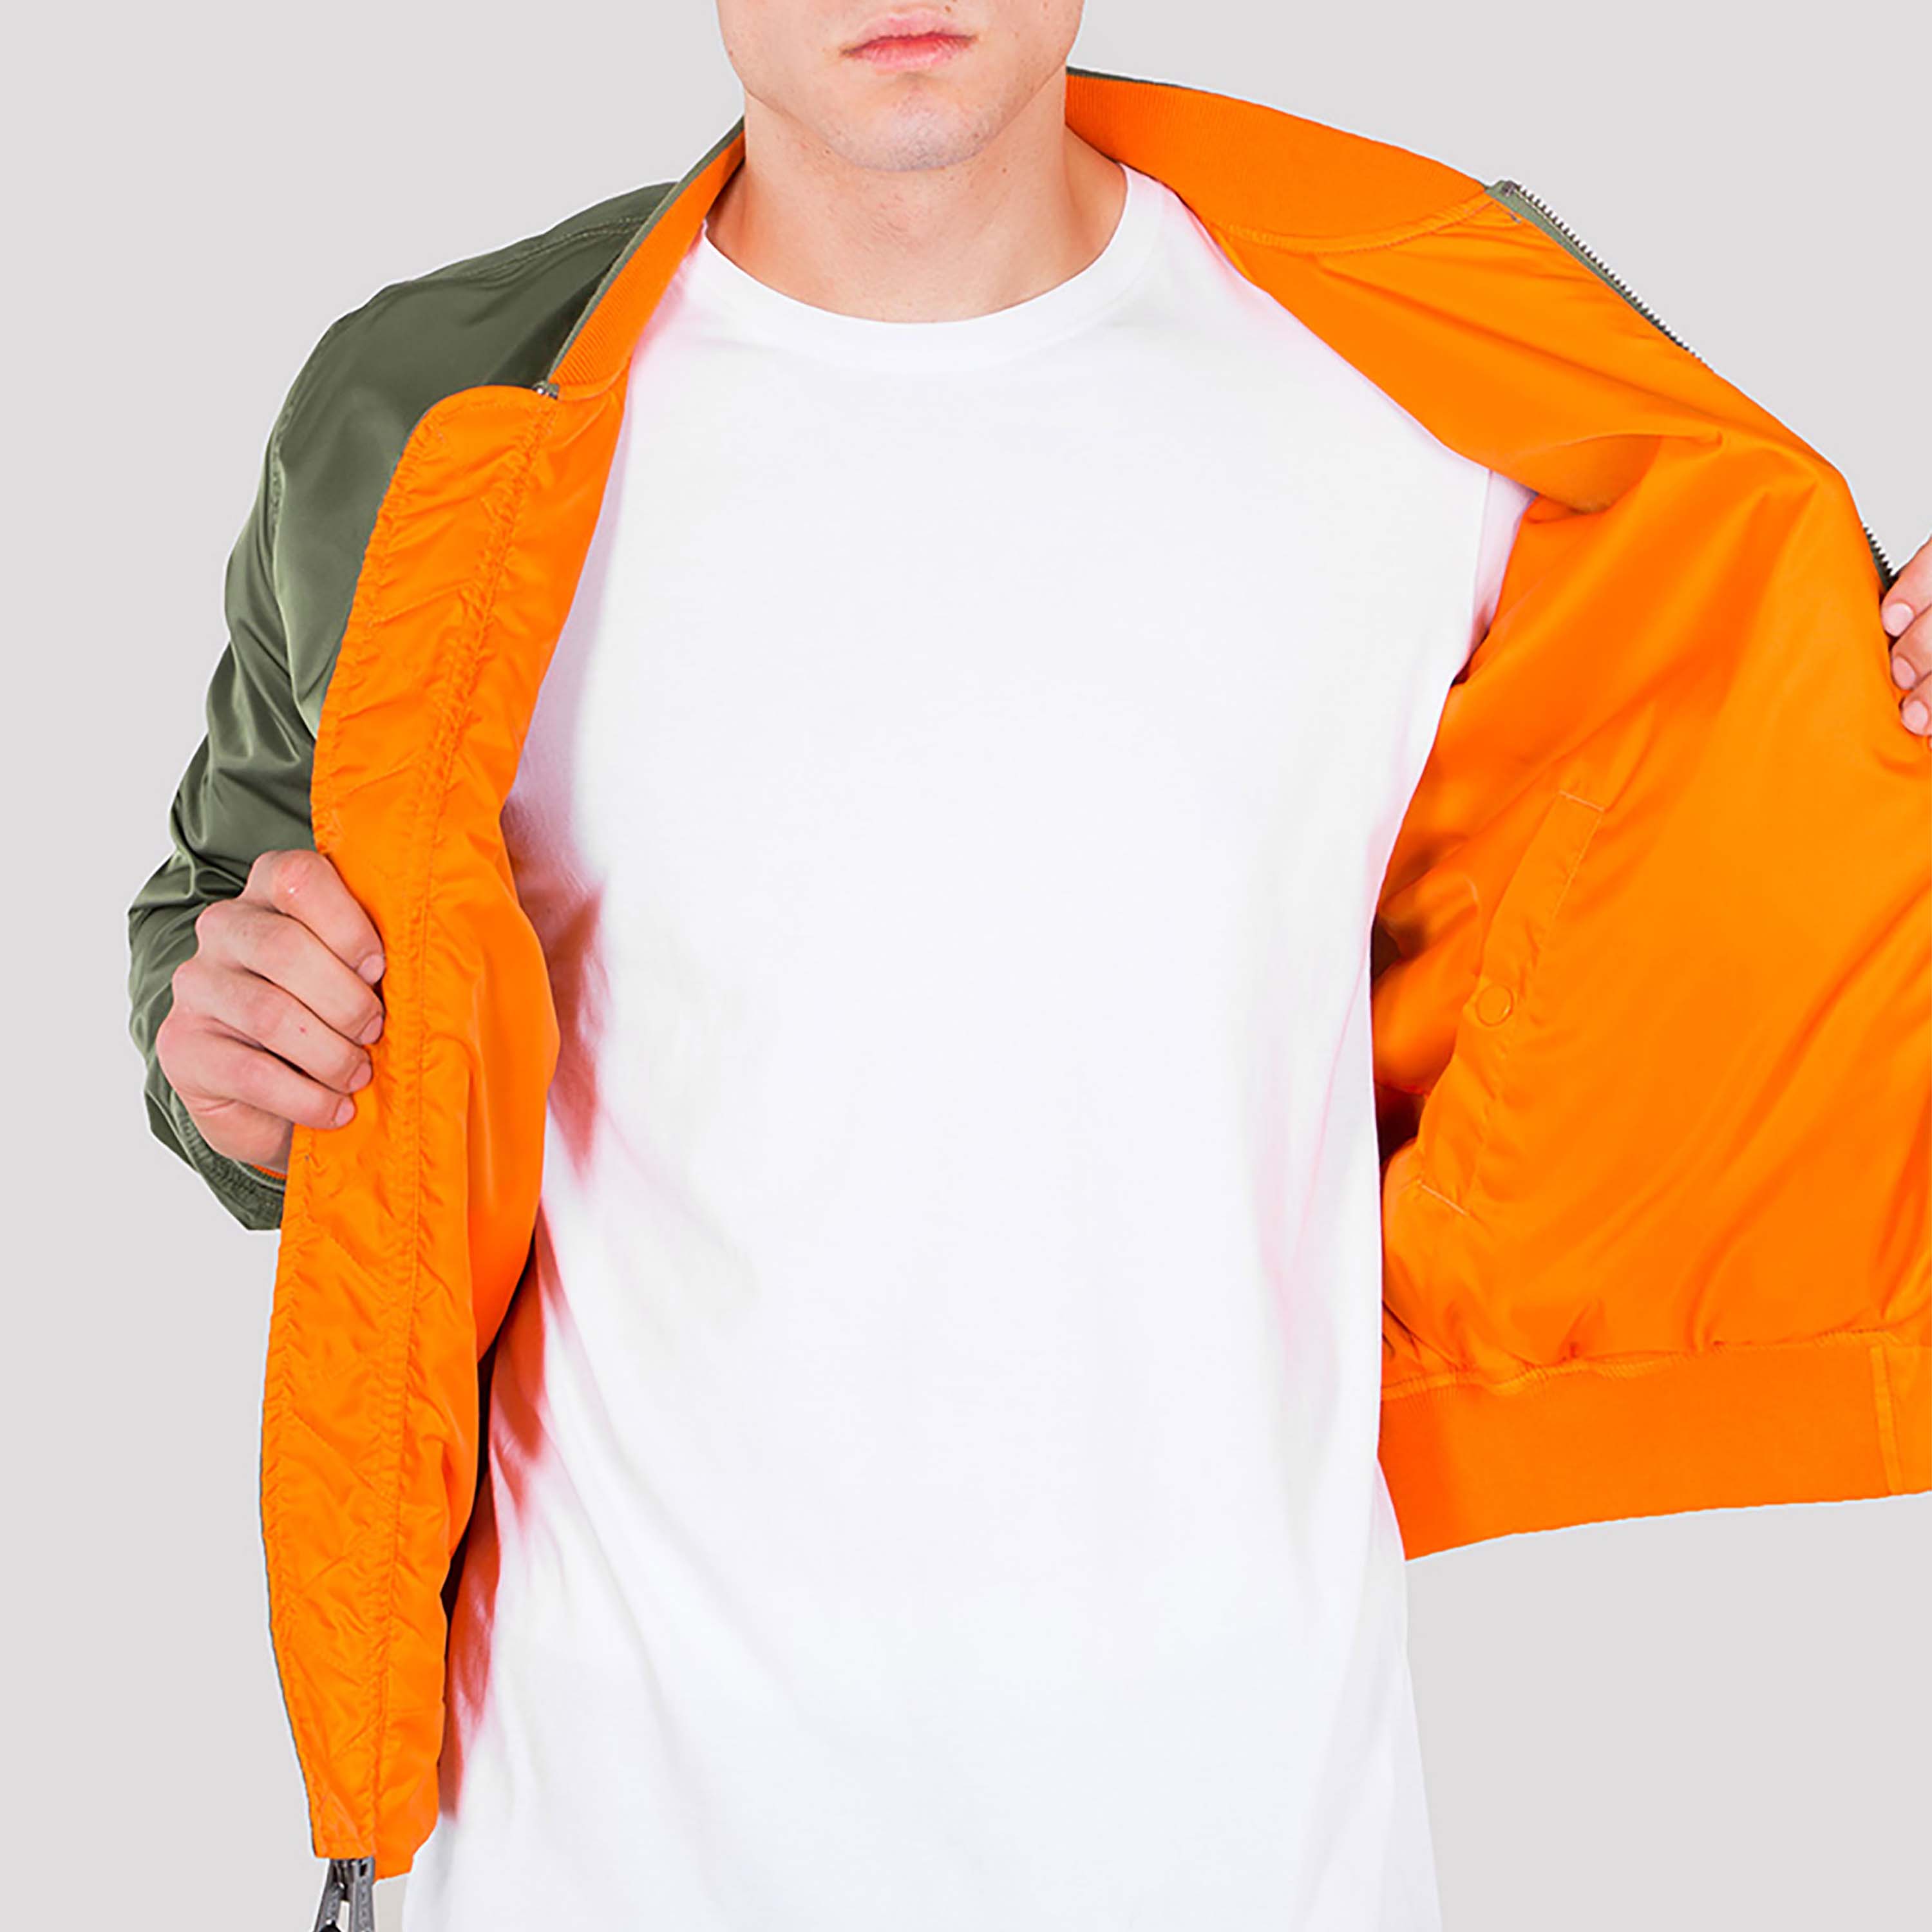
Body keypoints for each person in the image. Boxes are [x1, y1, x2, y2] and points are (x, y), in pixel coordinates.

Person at [125, 6, 1931, 1929]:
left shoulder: (1432, 367)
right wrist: (224, 1050)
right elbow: (226, 928)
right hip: (580, 1843)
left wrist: (1892, 722)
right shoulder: (434, 413)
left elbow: (1736, 830)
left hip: (1240, 1845)